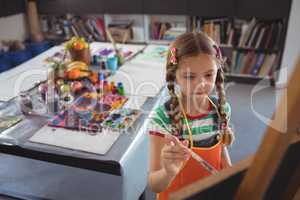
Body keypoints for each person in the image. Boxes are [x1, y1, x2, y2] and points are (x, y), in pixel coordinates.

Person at [147, 32, 235, 200]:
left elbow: (221, 151)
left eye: (209, 75)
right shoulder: (162, 119)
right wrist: (168, 172)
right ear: (174, 76)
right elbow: (155, 185)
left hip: (210, 192)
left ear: (217, 71)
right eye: (189, 76)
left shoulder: (221, 110)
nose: (201, 84)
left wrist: (231, 176)